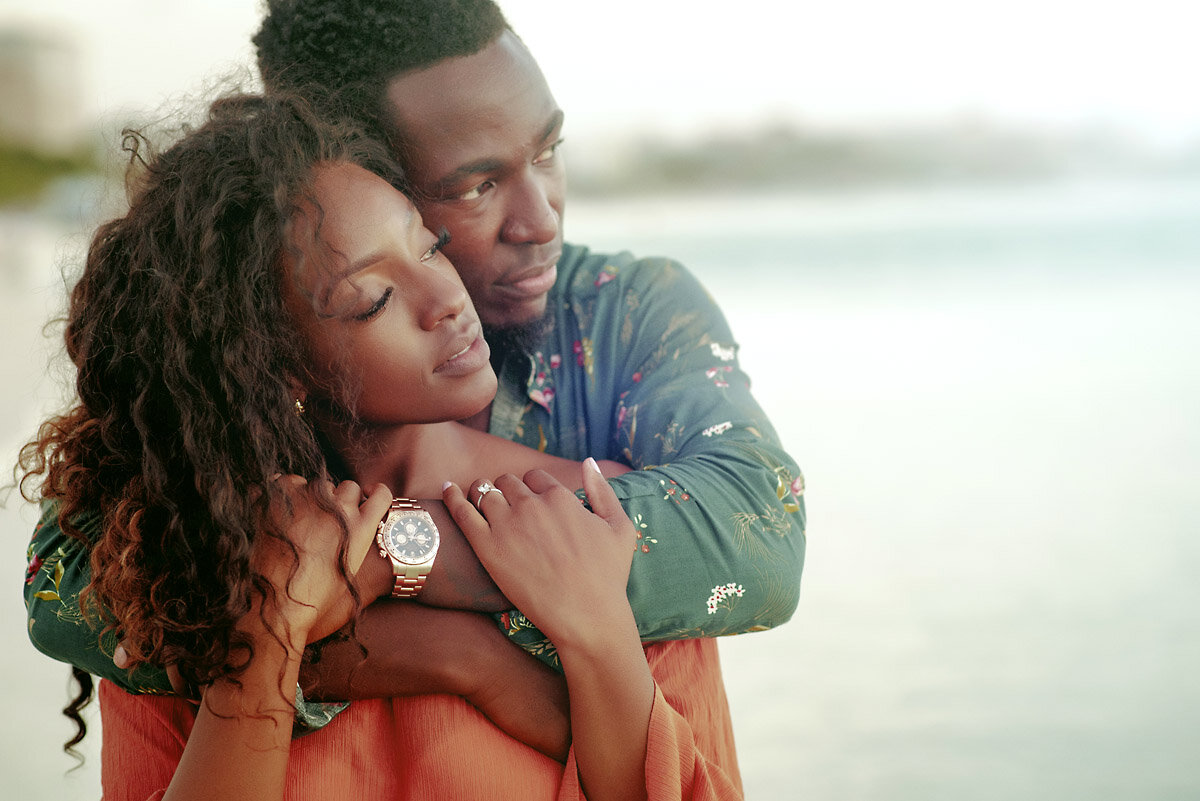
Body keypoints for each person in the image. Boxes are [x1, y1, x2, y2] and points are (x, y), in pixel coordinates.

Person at [25, 0, 805, 735]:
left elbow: (759, 537)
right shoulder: (232, 360)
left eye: (548, 151)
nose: (541, 220)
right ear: (353, 177)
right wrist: (455, 657)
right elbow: (64, 586)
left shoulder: (628, 311)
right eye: (477, 185)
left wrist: (374, 559)